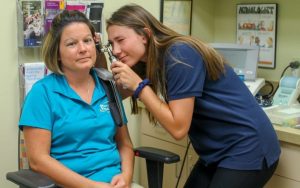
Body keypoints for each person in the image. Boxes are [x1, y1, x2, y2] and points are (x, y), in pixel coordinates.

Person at [106, 4, 281, 188]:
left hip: (247, 146)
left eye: (120, 40)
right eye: (111, 44)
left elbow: (178, 129)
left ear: (144, 35)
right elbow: (109, 95)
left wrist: (139, 86)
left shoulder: (180, 53)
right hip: (217, 151)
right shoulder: (150, 60)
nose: (116, 50)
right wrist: (91, 52)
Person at [19, 10, 135, 188]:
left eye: (87, 41)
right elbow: (38, 160)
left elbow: (125, 144)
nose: (83, 49)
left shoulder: (108, 86)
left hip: (116, 183)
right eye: (72, 44)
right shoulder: (42, 93)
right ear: (57, 52)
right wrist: (92, 186)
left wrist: (126, 178)